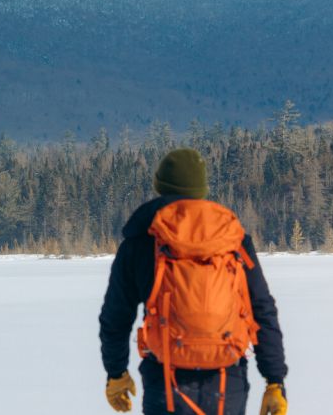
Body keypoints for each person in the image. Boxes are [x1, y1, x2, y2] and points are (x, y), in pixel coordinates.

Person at [98, 148, 288, 415]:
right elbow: (261, 308)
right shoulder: (232, 238)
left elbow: (116, 317)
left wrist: (116, 373)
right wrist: (275, 380)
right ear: (202, 188)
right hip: (226, 381)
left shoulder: (142, 240)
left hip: (166, 382)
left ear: (159, 185)